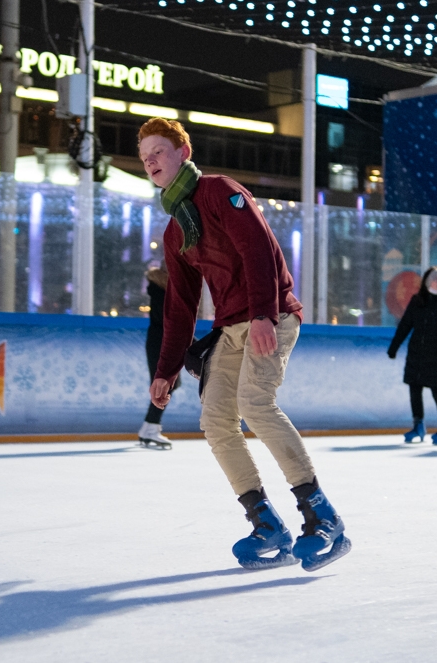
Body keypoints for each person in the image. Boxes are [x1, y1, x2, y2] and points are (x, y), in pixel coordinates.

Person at [141, 117, 350, 571]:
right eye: (144, 157)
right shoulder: (176, 231)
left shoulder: (219, 192)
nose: (150, 161)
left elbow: (259, 247)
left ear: (184, 152)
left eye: (159, 150)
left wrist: (262, 314)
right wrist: (166, 368)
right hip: (232, 328)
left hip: (270, 316)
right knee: (215, 420)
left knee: (256, 405)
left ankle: (323, 518)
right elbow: (179, 306)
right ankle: (265, 524)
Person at [387, 267, 437, 445]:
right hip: (417, 352)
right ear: (428, 281)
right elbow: (405, 325)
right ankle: (418, 425)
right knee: (415, 389)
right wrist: (394, 347)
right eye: (436, 278)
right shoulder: (417, 300)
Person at [138, 262, 176, 449]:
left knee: (168, 384)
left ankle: (148, 426)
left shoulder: (164, 287)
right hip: (160, 341)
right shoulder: (165, 288)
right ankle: (150, 427)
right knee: (166, 384)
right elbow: (168, 319)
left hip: (160, 340)